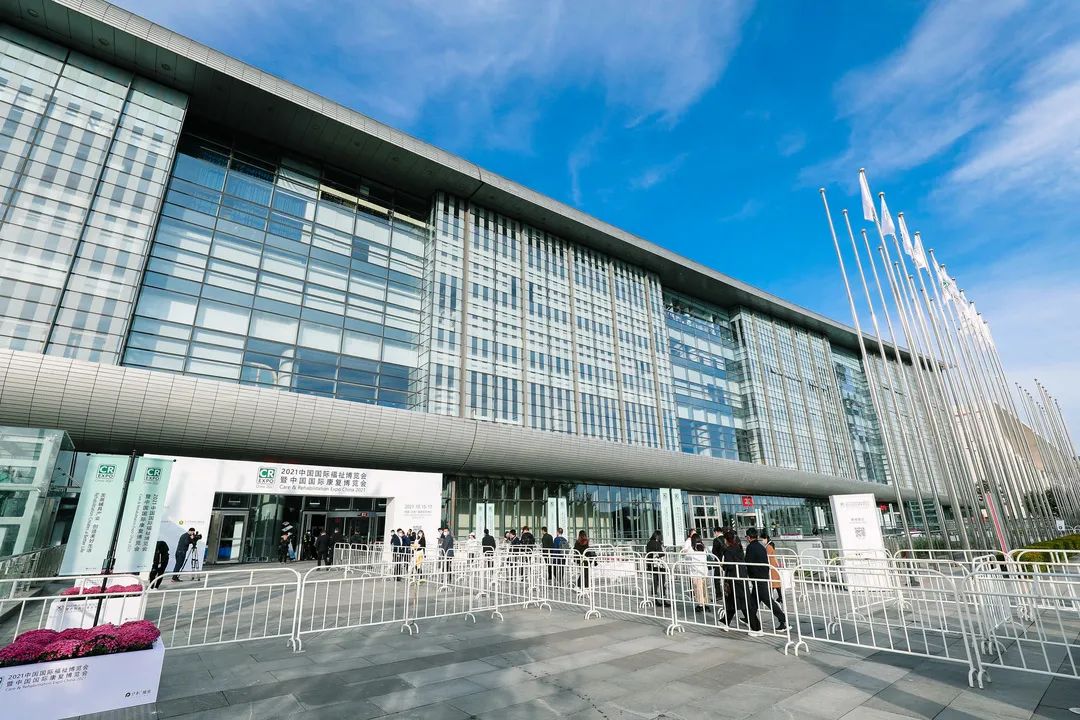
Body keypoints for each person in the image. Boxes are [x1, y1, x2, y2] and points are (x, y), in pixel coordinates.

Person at [744, 527, 787, 632]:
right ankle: (749, 618)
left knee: (768, 601)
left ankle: (783, 620)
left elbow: (747, 562)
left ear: (748, 537)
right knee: (753, 601)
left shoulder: (751, 547)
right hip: (762, 576)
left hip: (758, 578)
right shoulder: (761, 547)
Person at [720, 530, 748, 627]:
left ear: (727, 540)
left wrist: (723, 566)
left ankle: (755, 626)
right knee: (737, 601)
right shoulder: (739, 548)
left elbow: (729, 565)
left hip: (733, 578)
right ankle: (725, 621)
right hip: (741, 577)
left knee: (737, 601)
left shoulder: (728, 550)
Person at [645, 530, 667, 606]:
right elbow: (661, 553)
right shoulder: (657, 543)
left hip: (652, 565)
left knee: (655, 582)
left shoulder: (649, 543)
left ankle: (655, 598)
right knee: (662, 582)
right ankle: (663, 599)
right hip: (659, 565)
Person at [762, 532, 783, 605]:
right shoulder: (771, 545)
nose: (762, 541)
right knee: (775, 583)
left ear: (766, 539)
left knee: (772, 583)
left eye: (763, 539)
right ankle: (779, 597)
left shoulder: (768, 547)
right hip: (774, 565)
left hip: (771, 565)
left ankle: (770, 598)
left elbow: (766, 556)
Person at [688, 541, 709, 612]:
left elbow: (687, 556)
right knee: (704, 589)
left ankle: (700, 604)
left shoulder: (693, 552)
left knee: (698, 589)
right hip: (704, 573)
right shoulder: (704, 551)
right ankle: (706, 603)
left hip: (696, 574)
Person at [711, 527, 725, 603]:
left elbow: (714, 552)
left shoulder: (716, 540)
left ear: (716, 532)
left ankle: (718, 594)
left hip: (718, 562)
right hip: (726, 561)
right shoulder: (726, 538)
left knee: (716, 579)